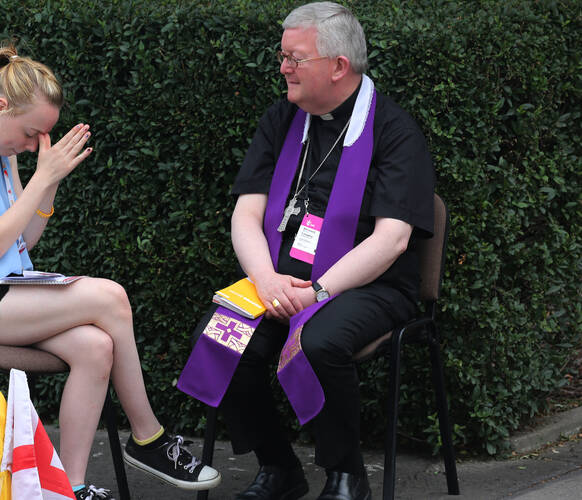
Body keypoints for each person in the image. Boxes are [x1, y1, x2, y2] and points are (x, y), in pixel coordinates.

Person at [0, 43, 220, 500]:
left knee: (95, 345)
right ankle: (148, 438)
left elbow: (22, 240)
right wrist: (42, 178)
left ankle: (68, 487)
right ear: (0, 106)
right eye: (31, 134)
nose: (32, 147)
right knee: (110, 297)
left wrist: (47, 187)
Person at [180, 3, 434, 500]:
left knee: (318, 341)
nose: (283, 68)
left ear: (338, 66)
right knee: (220, 335)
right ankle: (278, 467)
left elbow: (393, 239)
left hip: (367, 286)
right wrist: (266, 280)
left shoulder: (395, 132)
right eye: (283, 56)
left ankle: (346, 475)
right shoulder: (282, 120)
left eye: (295, 58)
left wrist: (319, 291)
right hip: (280, 280)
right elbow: (246, 215)